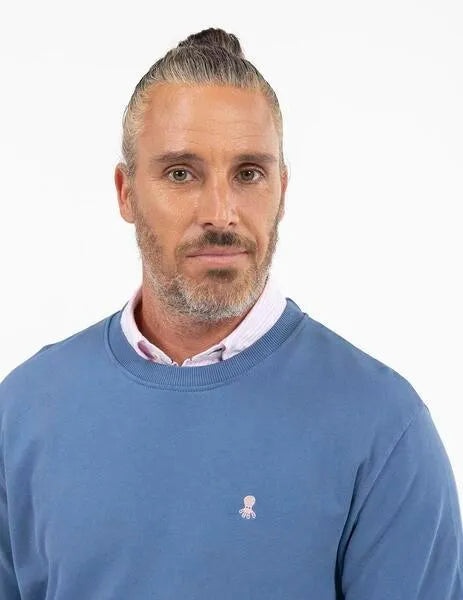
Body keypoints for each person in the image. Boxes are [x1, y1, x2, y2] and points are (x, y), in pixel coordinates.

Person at [0, 27, 462, 600]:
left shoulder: (385, 427)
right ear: (125, 192)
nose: (220, 212)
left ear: (282, 191)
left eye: (248, 173)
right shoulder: (23, 412)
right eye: (181, 173)